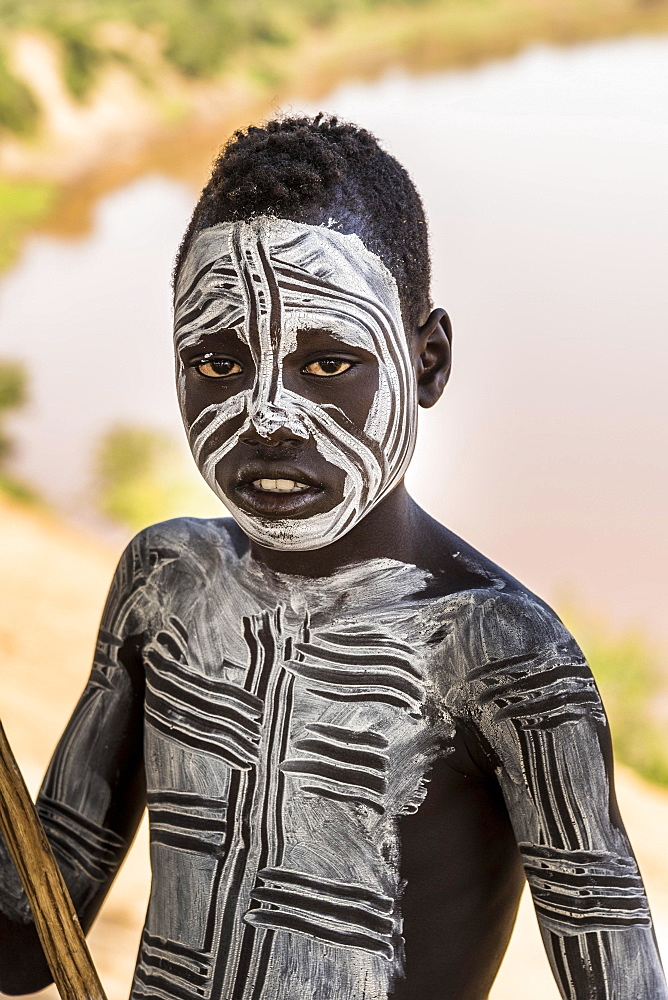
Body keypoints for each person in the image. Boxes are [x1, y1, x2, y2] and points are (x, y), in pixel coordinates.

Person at [0, 114, 665, 1000]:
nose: (266, 415)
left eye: (326, 364)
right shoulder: (164, 586)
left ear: (426, 362)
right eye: (217, 360)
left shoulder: (501, 653)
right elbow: (24, 947)